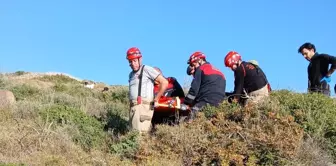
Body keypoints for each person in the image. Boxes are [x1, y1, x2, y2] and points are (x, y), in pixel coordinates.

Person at [126, 47, 168, 133]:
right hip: (133, 107)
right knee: (133, 134)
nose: (133, 64)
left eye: (134, 61)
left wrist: (156, 99)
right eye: (130, 61)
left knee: (140, 134)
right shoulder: (131, 74)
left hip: (143, 107)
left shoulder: (146, 69)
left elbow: (164, 82)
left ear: (140, 59)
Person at [182, 51, 226, 122]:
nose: (194, 67)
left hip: (205, 102)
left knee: (187, 121)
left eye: (194, 64)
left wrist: (185, 103)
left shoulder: (201, 69)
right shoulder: (220, 72)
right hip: (220, 105)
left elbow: (193, 91)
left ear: (200, 60)